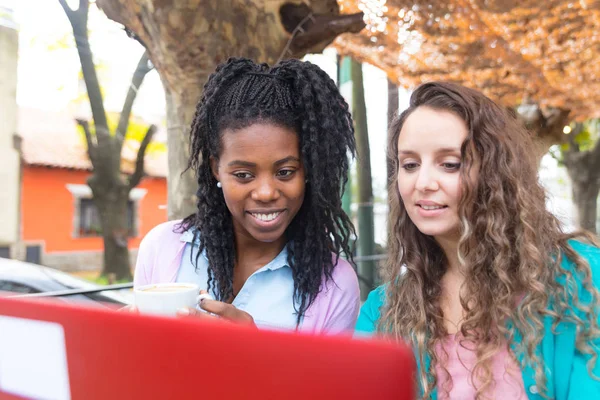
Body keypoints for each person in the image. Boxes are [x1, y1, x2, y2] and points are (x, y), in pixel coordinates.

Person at [356, 82, 600, 399]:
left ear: (494, 174)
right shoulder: (381, 312)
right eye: (410, 164)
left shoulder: (579, 279)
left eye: (450, 164)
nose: (423, 182)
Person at [135, 57, 360, 334]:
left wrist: (255, 351)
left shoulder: (335, 284)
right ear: (216, 168)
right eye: (243, 175)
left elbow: (326, 380)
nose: (266, 193)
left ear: (308, 172)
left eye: (286, 172)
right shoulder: (163, 248)